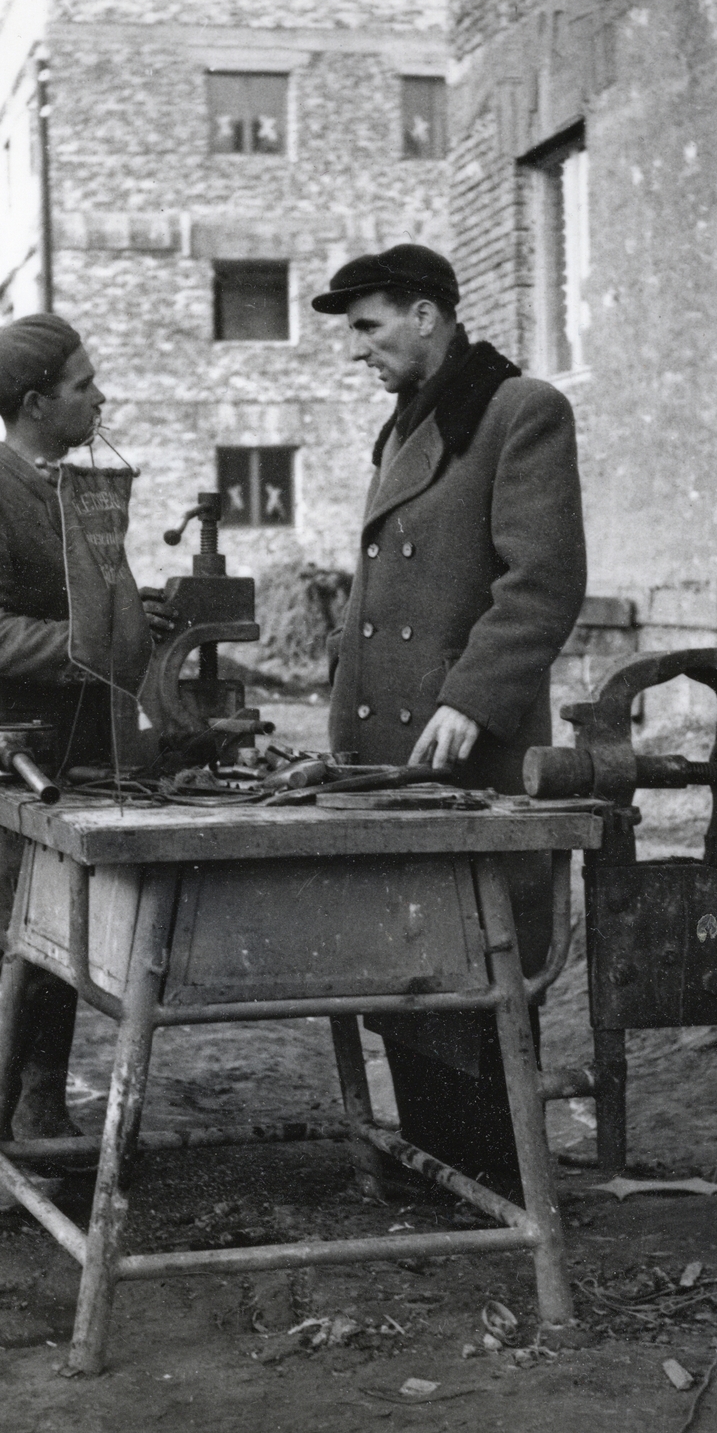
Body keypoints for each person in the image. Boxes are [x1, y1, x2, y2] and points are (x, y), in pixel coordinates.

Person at [311, 244, 587, 1190]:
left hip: (465, 747)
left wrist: (472, 696)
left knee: (480, 963)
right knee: (405, 962)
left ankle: (492, 1180)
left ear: (426, 315)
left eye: (368, 327)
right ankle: (435, 1163)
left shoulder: (518, 411)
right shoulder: (405, 426)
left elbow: (542, 582)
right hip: (385, 752)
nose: (357, 348)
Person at [0, 313, 165, 1205]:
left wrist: (138, 618)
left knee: (64, 939)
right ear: (34, 403)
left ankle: (38, 1119)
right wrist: (95, 641)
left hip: (83, 755)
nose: (99, 397)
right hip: (6, 759)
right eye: (83, 385)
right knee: (5, 946)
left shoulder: (80, 492)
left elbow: (90, 610)